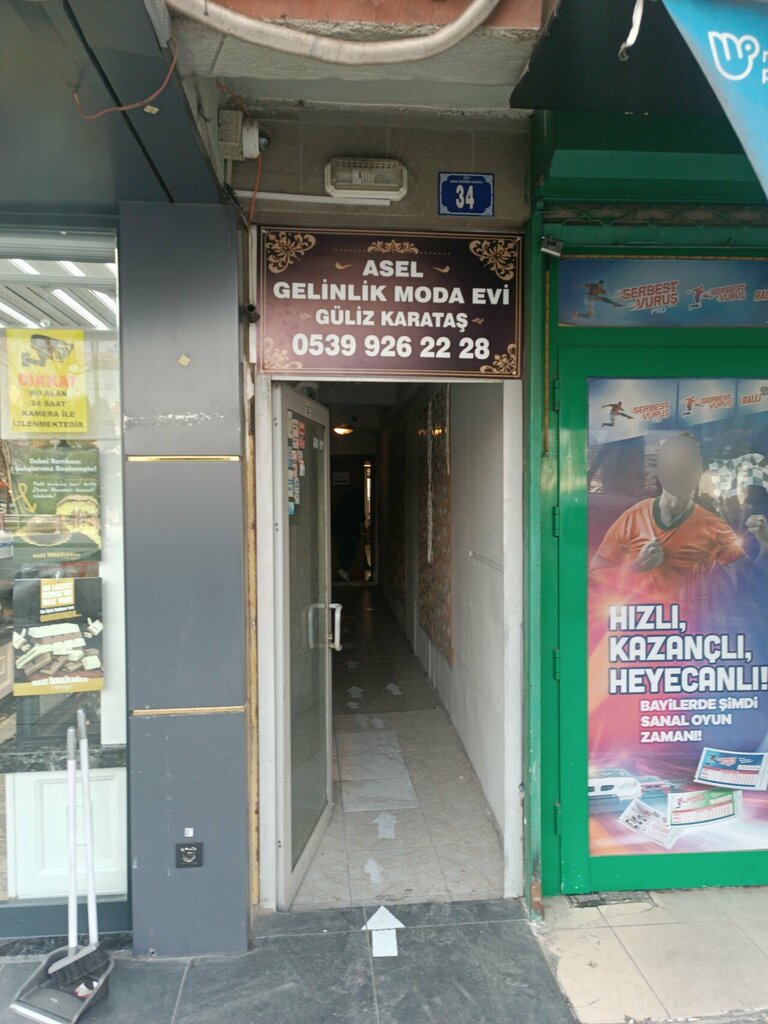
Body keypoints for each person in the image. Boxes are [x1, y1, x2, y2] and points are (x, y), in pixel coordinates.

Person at [589, 433, 768, 601]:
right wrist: (637, 566)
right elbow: (593, 580)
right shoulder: (633, 518)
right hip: (639, 619)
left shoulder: (714, 526)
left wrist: (765, 544)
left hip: (692, 622)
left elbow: (750, 584)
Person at [331, 486, 364, 582]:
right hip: (348, 532)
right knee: (350, 551)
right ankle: (343, 569)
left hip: (340, 531)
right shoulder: (354, 505)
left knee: (344, 550)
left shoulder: (343, 503)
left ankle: (343, 569)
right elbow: (360, 517)